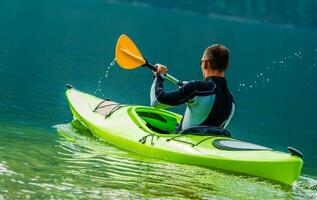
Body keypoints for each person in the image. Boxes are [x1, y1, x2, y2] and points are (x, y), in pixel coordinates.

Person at [150, 44, 235, 132]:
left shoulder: (195, 88)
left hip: (183, 143)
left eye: (201, 62)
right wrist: (187, 89)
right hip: (206, 144)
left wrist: (159, 76)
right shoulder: (231, 100)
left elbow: (157, 101)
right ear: (226, 66)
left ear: (205, 63)